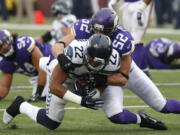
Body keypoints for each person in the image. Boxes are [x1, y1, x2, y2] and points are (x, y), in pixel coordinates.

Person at [3, 34, 167, 130]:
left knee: (117, 115)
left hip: (84, 79)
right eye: (90, 59)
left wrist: (95, 91)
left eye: (97, 62)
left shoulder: (112, 61)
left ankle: (143, 120)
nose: (93, 63)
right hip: (64, 77)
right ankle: (20, 105)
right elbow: (54, 86)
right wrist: (80, 100)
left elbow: (106, 81)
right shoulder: (73, 53)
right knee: (51, 122)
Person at [50, 8, 180, 129]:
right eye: (96, 29)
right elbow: (59, 44)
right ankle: (143, 119)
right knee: (116, 115)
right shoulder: (82, 28)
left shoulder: (122, 40)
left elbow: (123, 77)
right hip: (100, 73)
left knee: (162, 105)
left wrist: (100, 79)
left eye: (103, 31)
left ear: (112, 30)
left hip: (120, 74)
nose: (98, 33)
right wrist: (61, 56)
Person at [0, 30, 54, 101]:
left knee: (46, 95)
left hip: (52, 62)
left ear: (10, 39)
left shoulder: (23, 45)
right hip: (39, 74)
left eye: (5, 43)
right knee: (44, 95)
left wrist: (37, 94)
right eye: (1, 46)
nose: (5, 47)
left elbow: (42, 67)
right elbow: (4, 88)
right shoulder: (4, 61)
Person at [108, 0, 152, 78]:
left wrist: (143, 6)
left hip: (141, 3)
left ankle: (133, 73)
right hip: (127, 4)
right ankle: (144, 71)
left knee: (137, 39)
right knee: (127, 37)